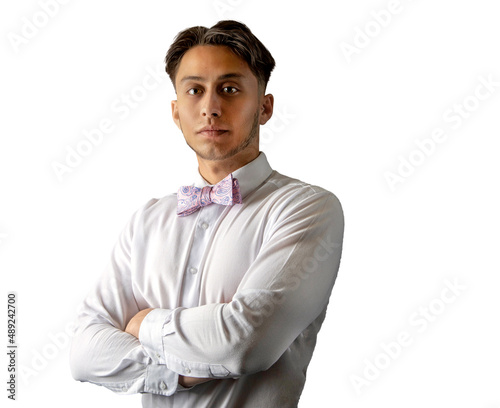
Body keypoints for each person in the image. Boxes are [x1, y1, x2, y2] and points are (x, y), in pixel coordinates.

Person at [70, 20, 344, 407]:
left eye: (229, 89)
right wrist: (174, 372)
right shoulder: (148, 220)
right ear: (176, 111)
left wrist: (142, 324)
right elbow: (84, 352)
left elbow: (246, 344)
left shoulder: (307, 208)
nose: (211, 107)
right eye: (195, 90)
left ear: (264, 107)